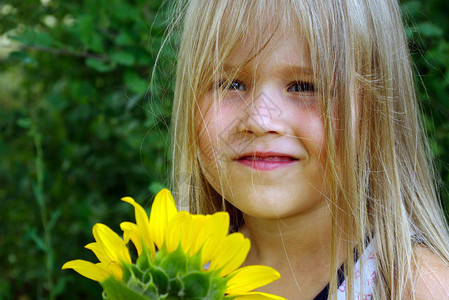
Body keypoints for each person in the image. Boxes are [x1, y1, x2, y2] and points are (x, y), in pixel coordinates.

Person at [166, 0, 449, 298]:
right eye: (232, 84)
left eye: (304, 86)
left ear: (376, 109)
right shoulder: (178, 277)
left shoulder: (417, 287)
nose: (261, 121)